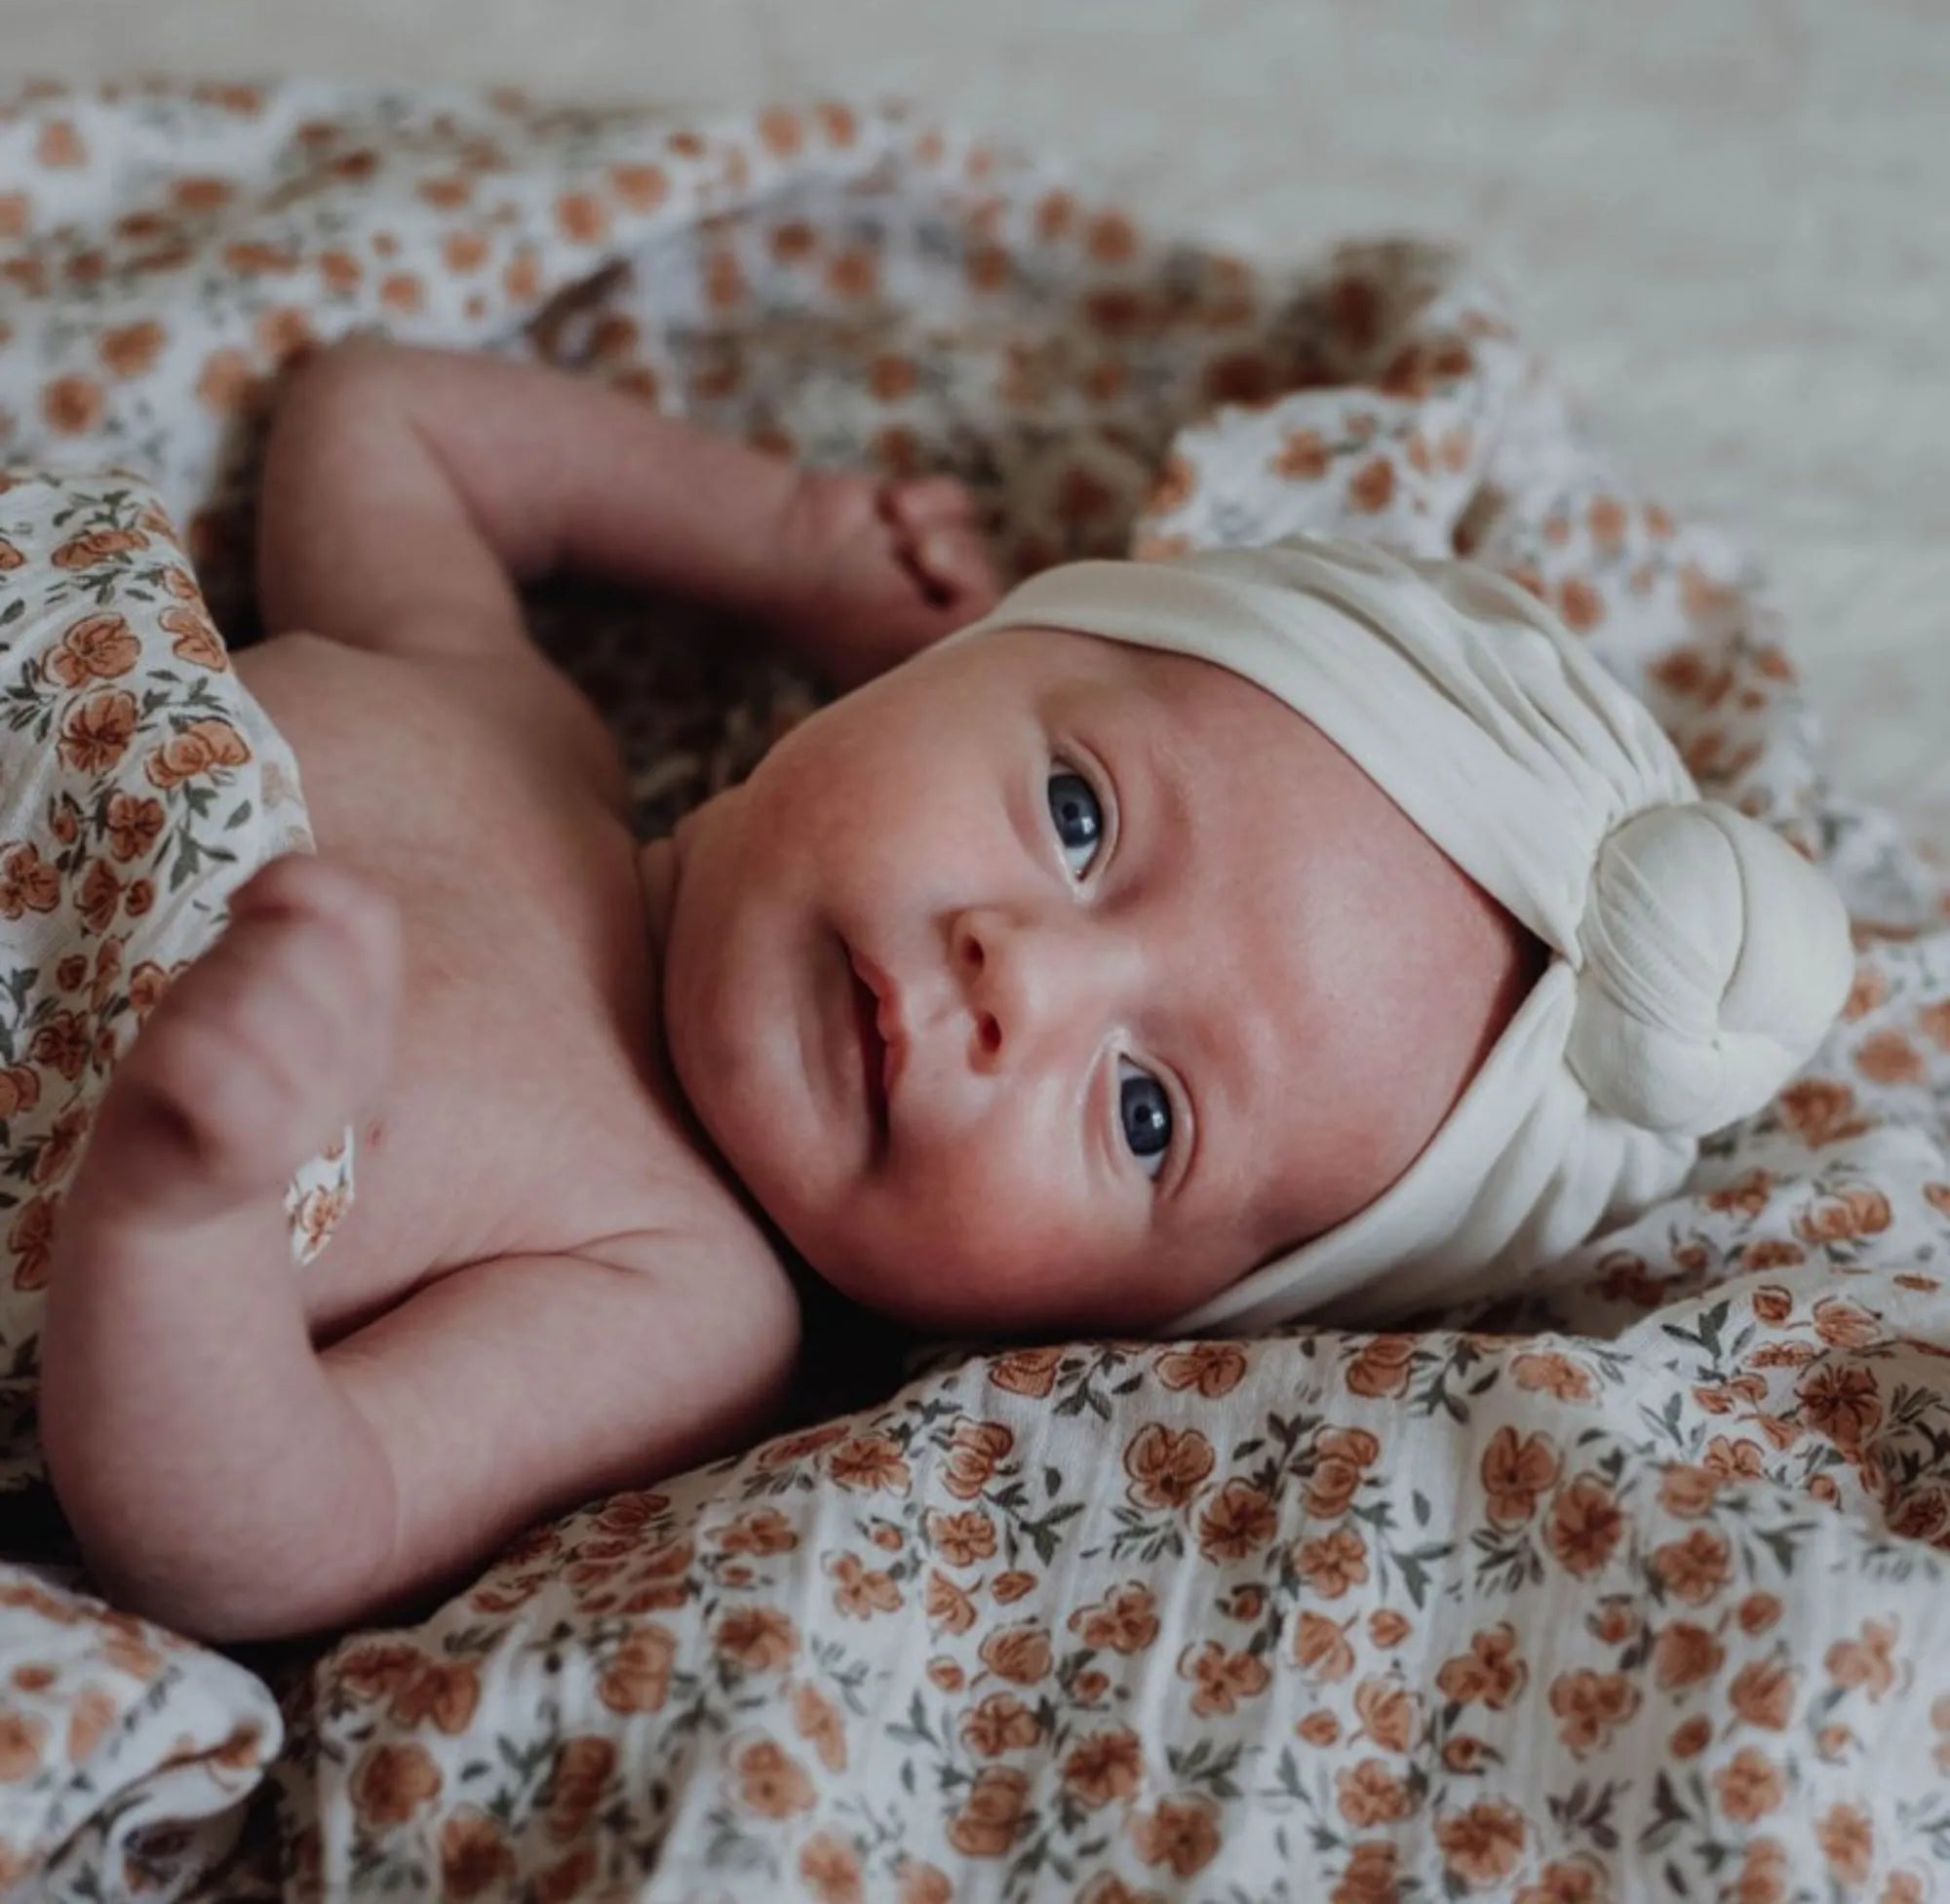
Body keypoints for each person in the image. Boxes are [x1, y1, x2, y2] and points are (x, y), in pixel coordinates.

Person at [37, 337, 1850, 1643]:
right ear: (972, 654)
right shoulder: (503, 708)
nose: (1025, 980)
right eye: (1079, 816)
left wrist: (183, 1207)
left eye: (1146, 1113)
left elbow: (272, 1535)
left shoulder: (670, 1292)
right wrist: (781, 538)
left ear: (1100, 1327)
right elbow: (386, 415)